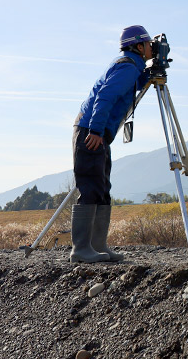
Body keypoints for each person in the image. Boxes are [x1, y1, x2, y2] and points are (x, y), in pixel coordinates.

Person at [70, 25, 152, 262]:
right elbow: (105, 97)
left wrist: (149, 72)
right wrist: (95, 130)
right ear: (139, 46)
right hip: (91, 130)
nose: (151, 48)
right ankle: (81, 250)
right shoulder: (126, 67)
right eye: (148, 44)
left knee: (102, 188)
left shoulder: (132, 68)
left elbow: (131, 87)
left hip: (99, 132)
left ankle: (98, 246)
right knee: (91, 187)